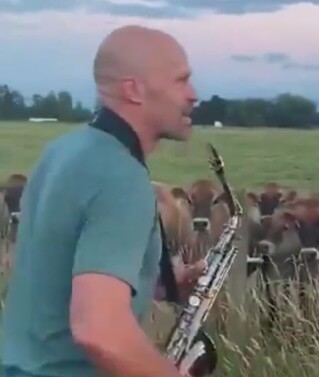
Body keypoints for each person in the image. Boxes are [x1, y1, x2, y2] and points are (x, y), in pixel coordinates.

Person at [0, 25, 203, 377]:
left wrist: (154, 282)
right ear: (134, 90)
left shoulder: (62, 152)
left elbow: (58, 272)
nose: (193, 94)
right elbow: (99, 331)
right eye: (180, 80)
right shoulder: (121, 176)